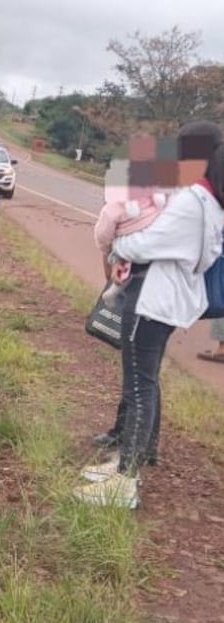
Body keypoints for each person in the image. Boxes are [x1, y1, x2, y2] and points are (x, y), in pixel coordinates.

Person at [74, 140, 224, 508]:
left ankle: (125, 480)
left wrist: (118, 247)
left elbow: (144, 245)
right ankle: (130, 462)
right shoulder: (211, 205)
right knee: (146, 381)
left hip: (151, 300)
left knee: (139, 387)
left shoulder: (191, 202)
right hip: (168, 300)